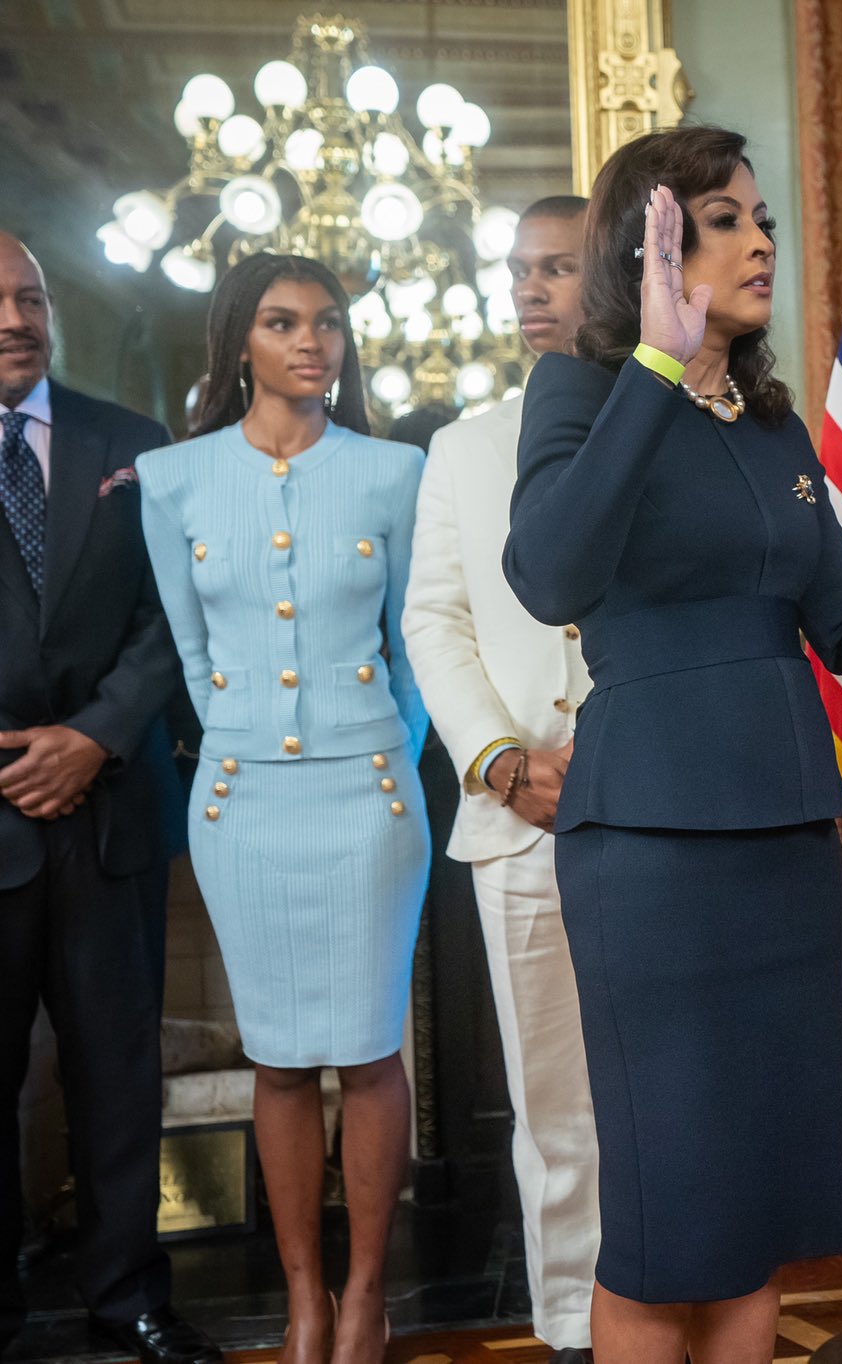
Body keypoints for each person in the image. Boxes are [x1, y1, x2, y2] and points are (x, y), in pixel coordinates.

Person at [501, 125, 842, 1363]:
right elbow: (547, 570)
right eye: (730, 220)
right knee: (662, 1216)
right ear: (650, 246)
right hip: (650, 853)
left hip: (784, 844)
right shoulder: (581, 390)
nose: (762, 242)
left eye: (763, 218)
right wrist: (654, 361)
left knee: (750, 1213)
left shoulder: (770, 423)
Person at [137, 252, 430, 1364]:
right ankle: (303, 1295)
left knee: (364, 1050)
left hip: (366, 798)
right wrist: (250, 741)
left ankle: (365, 1293)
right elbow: (193, 651)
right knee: (276, 1056)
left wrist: (384, 762)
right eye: (282, 322)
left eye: (330, 324)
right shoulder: (173, 481)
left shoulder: (396, 473)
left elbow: (413, 654)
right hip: (242, 799)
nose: (313, 342)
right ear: (238, 343)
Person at [0, 232, 221, 1364]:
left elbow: (168, 617)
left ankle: (129, 1296)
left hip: (111, 812)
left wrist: (92, 735)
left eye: (30, 295)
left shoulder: (131, 444)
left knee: (119, 1075)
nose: (15, 316)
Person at [401, 193, 600, 1364]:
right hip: (518, 819)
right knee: (555, 1103)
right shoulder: (465, 446)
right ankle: (576, 1326)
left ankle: (676, 1303)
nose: (531, 290)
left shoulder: (671, 426)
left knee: (668, 1088)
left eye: (560, 268)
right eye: (520, 270)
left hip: (655, 811)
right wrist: (502, 760)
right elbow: (435, 620)